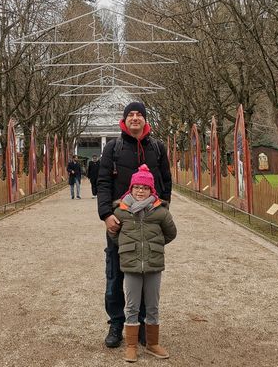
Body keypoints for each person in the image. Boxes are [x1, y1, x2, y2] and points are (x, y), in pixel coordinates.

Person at [97, 101, 172, 348]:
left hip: (149, 223)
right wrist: (106, 214)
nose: (135, 118)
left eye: (140, 114)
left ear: (145, 120)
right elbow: (103, 183)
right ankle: (118, 323)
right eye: (131, 115)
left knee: (147, 272)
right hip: (120, 223)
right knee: (116, 274)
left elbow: (166, 183)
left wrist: (163, 213)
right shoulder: (112, 148)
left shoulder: (157, 148)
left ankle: (141, 324)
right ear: (124, 120)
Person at [110, 165, 177, 362]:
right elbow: (113, 234)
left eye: (145, 188)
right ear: (131, 189)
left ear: (151, 190)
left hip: (153, 263)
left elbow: (171, 233)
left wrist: (153, 245)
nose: (141, 191)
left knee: (152, 305)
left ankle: (152, 343)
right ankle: (131, 345)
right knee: (131, 306)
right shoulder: (121, 211)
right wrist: (128, 247)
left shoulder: (160, 211)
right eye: (137, 187)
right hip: (131, 264)